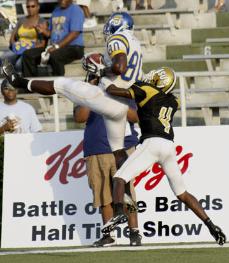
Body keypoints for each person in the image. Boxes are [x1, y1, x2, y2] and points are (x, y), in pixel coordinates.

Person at [2, 12, 143, 174]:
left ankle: (19, 82)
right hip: (122, 100)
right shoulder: (136, 45)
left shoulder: (117, 38)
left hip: (109, 99)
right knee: (118, 151)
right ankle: (123, 191)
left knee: (62, 85)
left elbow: (119, 67)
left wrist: (102, 70)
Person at [101, 67, 227, 246]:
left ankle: (119, 212)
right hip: (169, 146)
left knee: (120, 177)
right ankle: (212, 226)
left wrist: (104, 80)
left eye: (157, 74)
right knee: (182, 193)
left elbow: (113, 92)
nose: (152, 74)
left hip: (153, 143)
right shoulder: (173, 100)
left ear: (160, 80)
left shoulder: (146, 88)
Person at [74, 73, 141, 247]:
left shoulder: (123, 86)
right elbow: (80, 117)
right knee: (103, 196)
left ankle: (134, 232)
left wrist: (114, 96)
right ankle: (108, 234)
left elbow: (136, 117)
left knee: (127, 193)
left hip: (123, 145)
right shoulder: (85, 90)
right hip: (97, 147)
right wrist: (91, 91)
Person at [22, 0, 84, 77]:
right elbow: (51, 33)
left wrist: (57, 46)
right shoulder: (56, 11)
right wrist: (43, 31)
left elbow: (74, 33)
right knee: (27, 55)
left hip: (74, 48)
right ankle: (31, 85)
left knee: (54, 55)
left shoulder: (76, 10)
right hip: (55, 47)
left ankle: (58, 85)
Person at [0, 0, 47, 73]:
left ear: (38, 7)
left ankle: (18, 81)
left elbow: (42, 43)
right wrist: (14, 45)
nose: (30, 9)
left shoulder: (42, 21)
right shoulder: (22, 20)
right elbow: (13, 36)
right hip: (18, 47)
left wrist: (28, 48)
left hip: (31, 49)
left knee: (19, 64)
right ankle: (8, 79)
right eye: (28, 6)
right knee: (3, 58)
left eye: (33, 6)